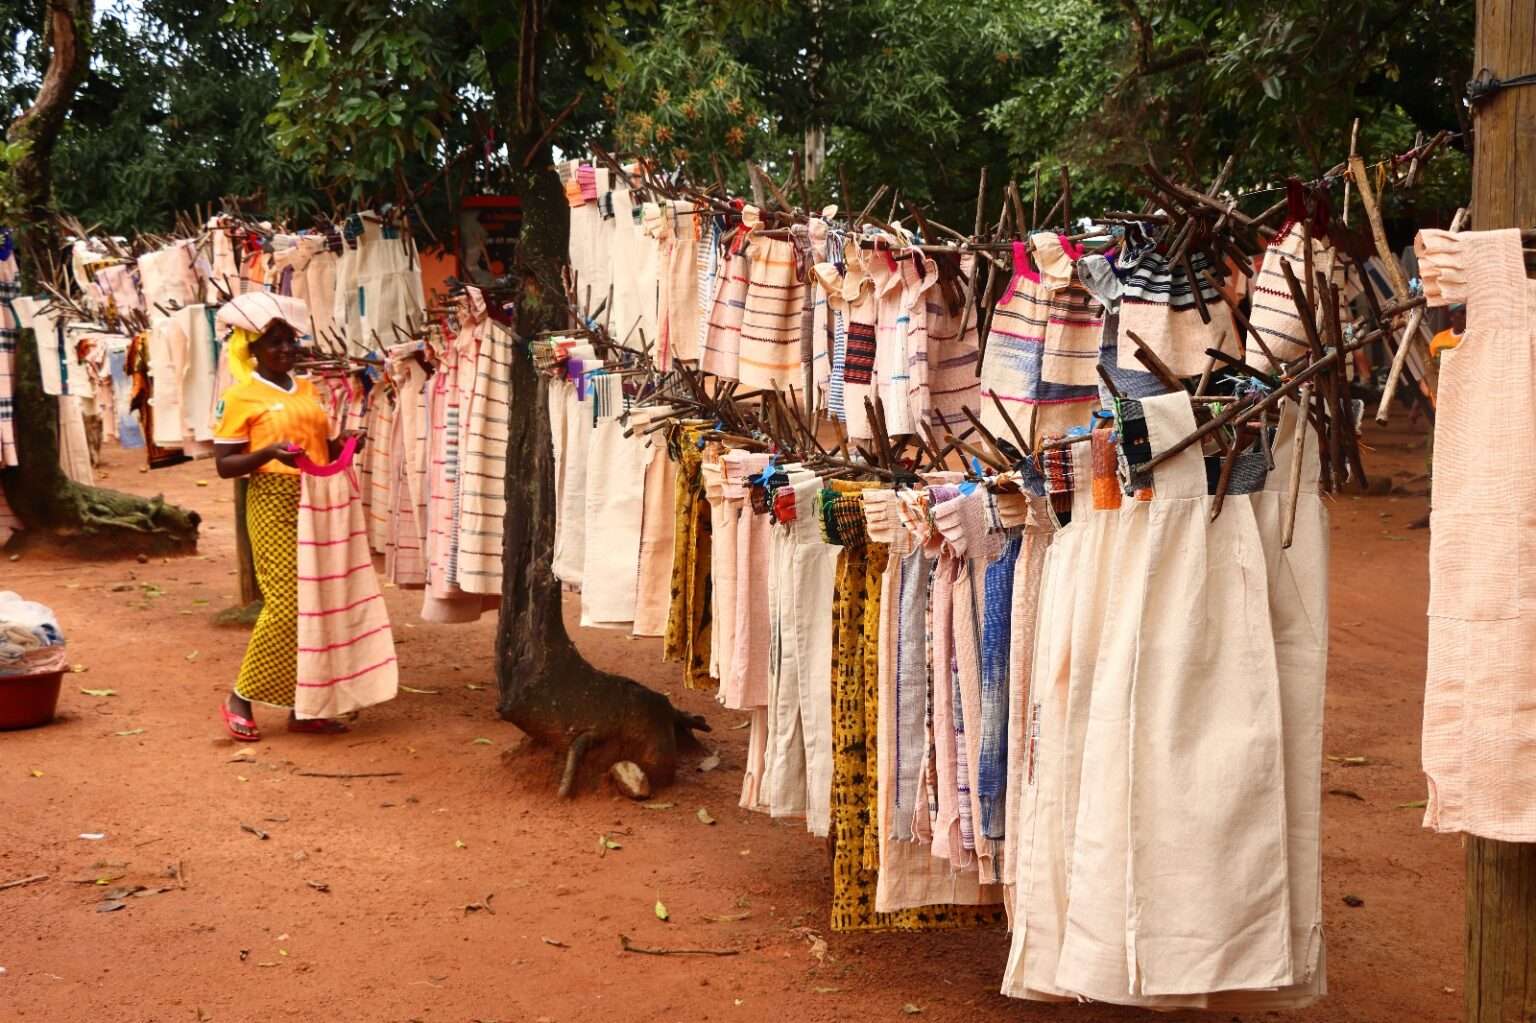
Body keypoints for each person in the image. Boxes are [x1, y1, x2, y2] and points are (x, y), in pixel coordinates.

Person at [213, 316, 363, 740]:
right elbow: (224, 466)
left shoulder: (309, 390)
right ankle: (240, 697)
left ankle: (306, 704)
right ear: (254, 350)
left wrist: (346, 442)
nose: (284, 348)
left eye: (289, 340)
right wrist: (267, 452)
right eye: (273, 342)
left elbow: (323, 447)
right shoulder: (240, 396)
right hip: (272, 499)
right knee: (286, 602)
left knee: (318, 600)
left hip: (317, 498)